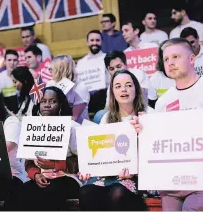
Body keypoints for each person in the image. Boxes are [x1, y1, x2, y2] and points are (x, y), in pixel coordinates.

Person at [131, 38, 203, 211]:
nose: (170, 62)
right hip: (172, 185)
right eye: (166, 59)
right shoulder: (163, 102)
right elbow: (161, 144)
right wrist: (145, 131)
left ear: (192, 59)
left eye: (176, 56)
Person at [79, 70, 147, 211]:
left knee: (118, 193)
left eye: (128, 85)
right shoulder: (106, 118)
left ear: (136, 89)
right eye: (118, 86)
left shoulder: (148, 115)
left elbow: (156, 153)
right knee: (86, 193)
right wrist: (89, 168)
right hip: (109, 174)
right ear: (112, 92)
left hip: (140, 175)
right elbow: (101, 152)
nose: (123, 89)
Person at [16, 86, 80, 211]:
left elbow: (81, 162)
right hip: (41, 178)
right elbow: (29, 162)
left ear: (60, 104)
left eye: (53, 101)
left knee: (48, 193)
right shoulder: (32, 126)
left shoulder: (72, 127)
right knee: (20, 193)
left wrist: (54, 164)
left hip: (67, 177)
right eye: (43, 101)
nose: (47, 105)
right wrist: (35, 175)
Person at [46, 55, 90, 124]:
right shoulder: (50, 84)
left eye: (51, 69)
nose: (49, 71)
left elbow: (74, 118)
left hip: (77, 126)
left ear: (61, 70)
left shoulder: (80, 87)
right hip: (56, 125)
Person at [77, 30, 110, 114]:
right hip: (86, 98)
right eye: (92, 40)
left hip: (103, 97)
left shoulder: (107, 58)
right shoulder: (81, 62)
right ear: (87, 43)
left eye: (97, 40)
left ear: (101, 42)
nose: (95, 43)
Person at [0, 49, 19, 114]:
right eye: (9, 60)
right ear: (4, 62)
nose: (12, 63)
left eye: (15, 60)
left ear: (18, 62)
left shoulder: (22, 76)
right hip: (5, 110)